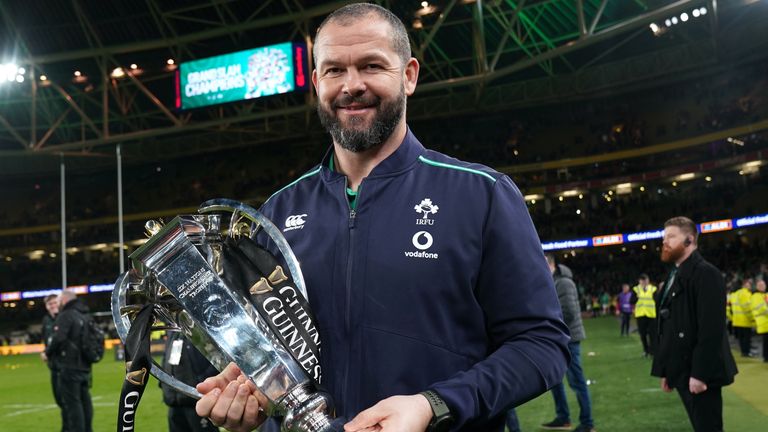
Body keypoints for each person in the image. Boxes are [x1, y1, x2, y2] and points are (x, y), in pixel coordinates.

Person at [194, 4, 570, 432]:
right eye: (334, 70)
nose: (352, 86)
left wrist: (434, 405)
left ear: (408, 75)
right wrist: (250, 403)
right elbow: (268, 363)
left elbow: (542, 345)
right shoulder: (274, 216)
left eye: (371, 66)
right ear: (317, 83)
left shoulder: (482, 194)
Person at [651, 217, 737, 432]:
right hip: (681, 369)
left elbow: (711, 331)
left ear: (689, 240)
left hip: (699, 373)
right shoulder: (675, 274)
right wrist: (666, 370)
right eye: (664, 237)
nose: (665, 242)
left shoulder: (707, 274)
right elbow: (668, 326)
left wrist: (700, 374)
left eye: (671, 237)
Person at [540, 254, 595, 432]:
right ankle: (563, 418)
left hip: (568, 339)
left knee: (576, 382)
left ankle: (587, 423)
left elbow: (568, 312)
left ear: (550, 265)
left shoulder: (563, 283)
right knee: (554, 381)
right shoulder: (553, 282)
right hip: (557, 339)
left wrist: (545, 322)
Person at [45, 289, 94, 432]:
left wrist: (47, 353)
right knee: (85, 402)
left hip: (70, 366)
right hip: (85, 366)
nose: (58, 304)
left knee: (73, 405)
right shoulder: (84, 314)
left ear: (65, 300)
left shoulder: (66, 315)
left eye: (59, 301)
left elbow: (58, 338)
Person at [161, 331, 219, 432]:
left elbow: (217, 359)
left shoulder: (200, 329)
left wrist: (199, 382)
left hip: (196, 401)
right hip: (174, 401)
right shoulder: (173, 331)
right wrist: (164, 384)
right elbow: (166, 357)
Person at [41, 294, 67, 432]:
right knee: (59, 400)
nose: (53, 306)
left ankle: (67, 428)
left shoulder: (65, 318)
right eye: (50, 304)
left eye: (54, 303)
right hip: (54, 366)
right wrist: (46, 352)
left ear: (59, 303)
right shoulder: (46, 321)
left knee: (67, 401)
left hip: (67, 366)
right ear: (46, 307)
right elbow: (47, 340)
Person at [632, 274, 657, 357]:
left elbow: (657, 300)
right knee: (643, 334)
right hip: (640, 315)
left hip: (651, 315)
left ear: (648, 280)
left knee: (652, 334)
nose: (643, 281)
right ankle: (645, 350)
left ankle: (652, 351)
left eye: (645, 280)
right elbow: (631, 301)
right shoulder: (636, 289)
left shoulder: (653, 289)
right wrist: (636, 297)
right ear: (639, 281)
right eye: (641, 280)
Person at [731, 277, 755, 357]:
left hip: (736, 320)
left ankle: (743, 352)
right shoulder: (746, 293)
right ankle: (746, 352)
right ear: (745, 285)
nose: (750, 286)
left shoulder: (735, 294)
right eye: (749, 284)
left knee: (741, 338)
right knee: (747, 338)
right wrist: (752, 318)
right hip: (745, 320)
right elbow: (747, 307)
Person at [749, 279, 768, 362]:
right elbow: (761, 309)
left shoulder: (766, 295)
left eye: (763, 285)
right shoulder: (755, 296)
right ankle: (766, 357)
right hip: (763, 322)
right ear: (757, 287)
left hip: (765, 321)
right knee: (766, 341)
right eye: (760, 285)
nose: (762, 286)